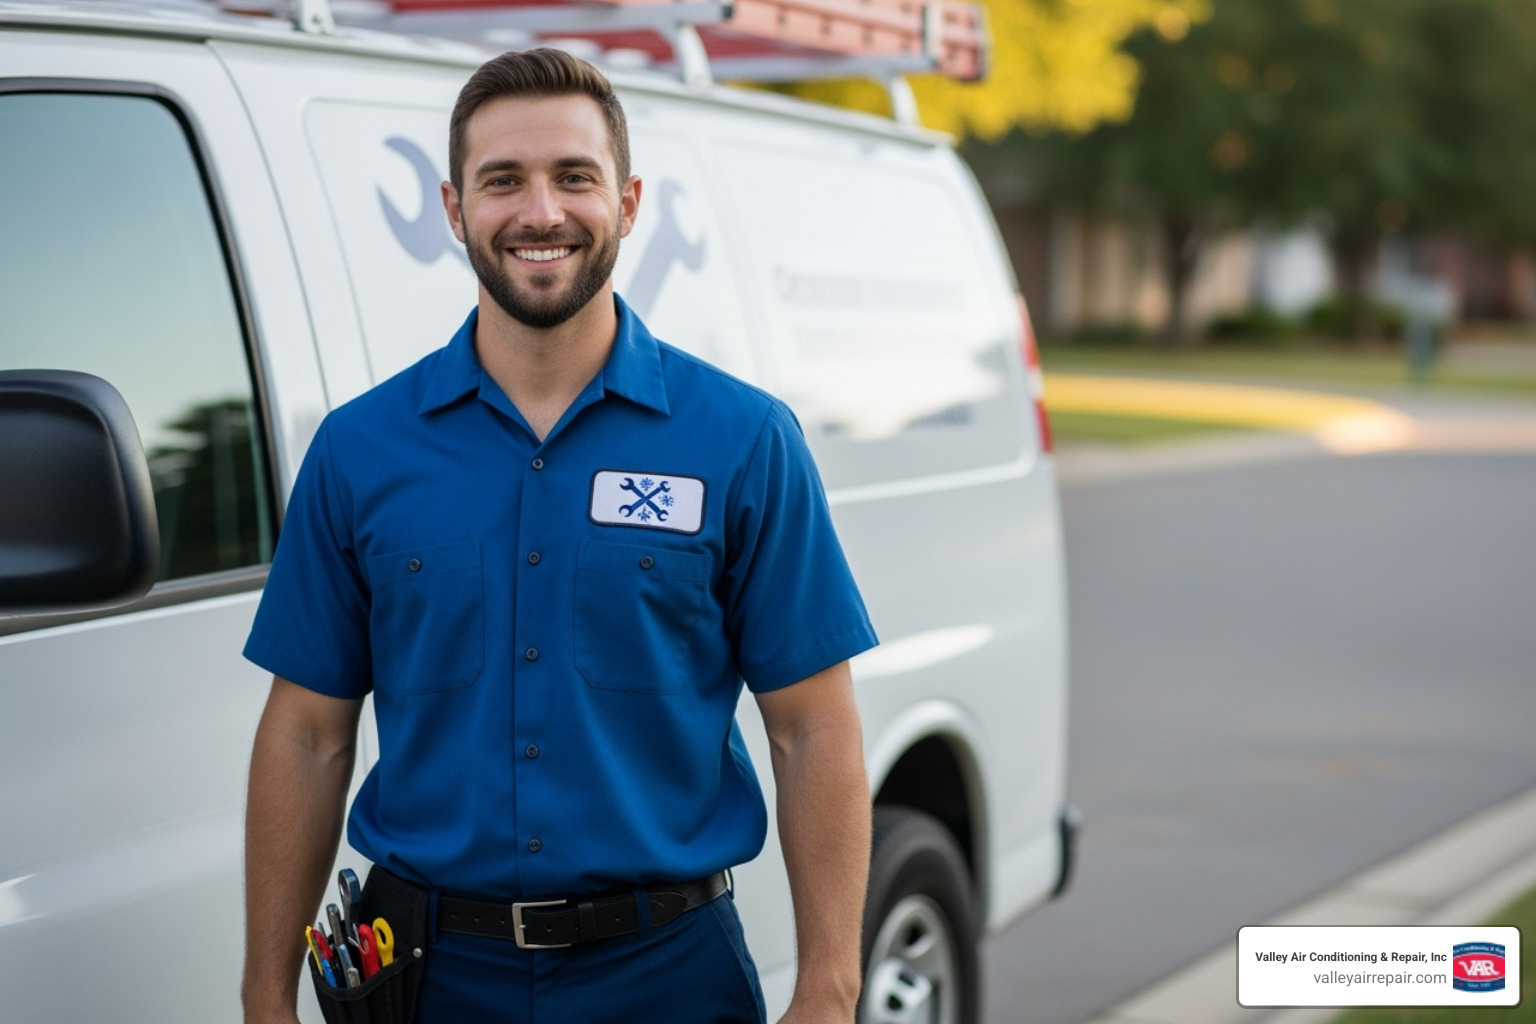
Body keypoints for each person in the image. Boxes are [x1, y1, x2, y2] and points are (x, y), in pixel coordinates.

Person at [240, 47, 878, 1024]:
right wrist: (264, 996)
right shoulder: (359, 451)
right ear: (455, 210)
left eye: (573, 177)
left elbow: (810, 724)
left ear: (625, 201)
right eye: (504, 180)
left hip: (669, 977)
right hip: (425, 981)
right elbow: (306, 734)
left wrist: (830, 988)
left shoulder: (744, 441)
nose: (541, 212)